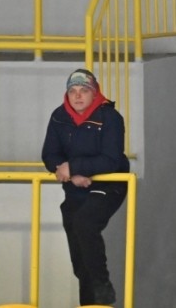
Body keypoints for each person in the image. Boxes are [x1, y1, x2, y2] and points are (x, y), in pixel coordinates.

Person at [41, 68, 130, 306]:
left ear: (95, 93)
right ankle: (90, 302)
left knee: (85, 222)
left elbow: (111, 159)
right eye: (73, 91)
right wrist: (72, 174)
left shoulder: (110, 117)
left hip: (109, 183)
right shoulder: (59, 116)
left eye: (84, 90)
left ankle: (102, 287)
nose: (78, 95)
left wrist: (75, 167)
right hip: (76, 186)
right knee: (78, 246)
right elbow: (49, 155)